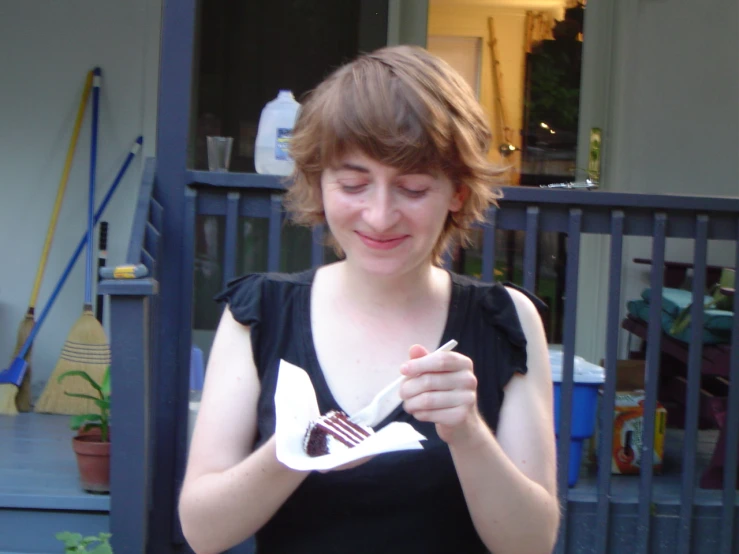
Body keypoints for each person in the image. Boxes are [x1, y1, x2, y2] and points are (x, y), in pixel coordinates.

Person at [179, 45, 559, 554]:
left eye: (414, 188)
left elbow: (531, 544)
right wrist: (298, 450)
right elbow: (203, 532)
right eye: (354, 183)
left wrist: (466, 432)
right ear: (319, 183)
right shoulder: (260, 314)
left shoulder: (505, 319)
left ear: (458, 194)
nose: (379, 216)